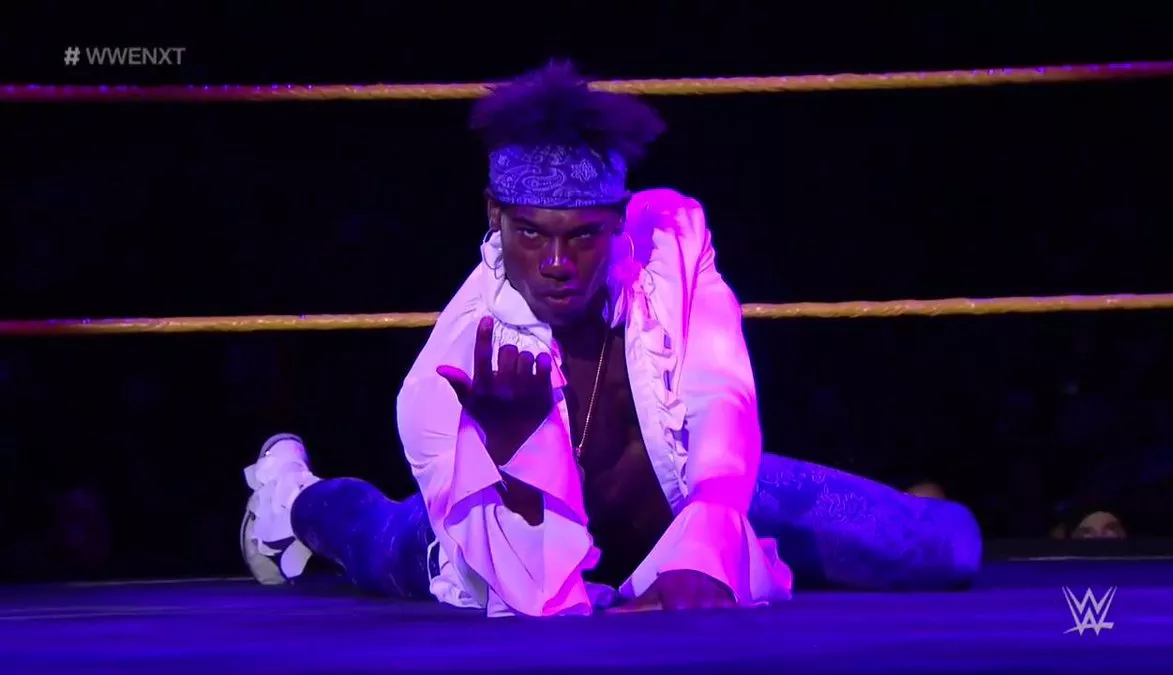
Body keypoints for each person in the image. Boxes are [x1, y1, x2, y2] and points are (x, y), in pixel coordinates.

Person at [241, 61, 982, 617]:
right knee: (374, 538)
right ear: (495, 216)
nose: (557, 263)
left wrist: (704, 550)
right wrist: (515, 460)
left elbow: (722, 393)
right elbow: (534, 595)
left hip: (694, 497)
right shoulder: (447, 371)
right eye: (532, 234)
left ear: (619, 220)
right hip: (490, 543)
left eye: (583, 236)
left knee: (946, 546)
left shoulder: (672, 240)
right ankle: (287, 497)